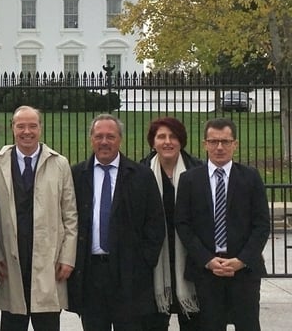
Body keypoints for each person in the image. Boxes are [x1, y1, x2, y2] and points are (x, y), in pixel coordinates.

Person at [68, 114, 165, 331]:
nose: (104, 142)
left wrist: (144, 262)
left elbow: (155, 224)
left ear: (120, 139)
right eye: (99, 136)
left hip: (129, 274)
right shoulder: (76, 175)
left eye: (110, 136)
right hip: (91, 274)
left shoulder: (141, 175)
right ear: (91, 139)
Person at [174, 118, 270, 331]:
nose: (219, 147)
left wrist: (241, 260)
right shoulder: (189, 180)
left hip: (244, 272)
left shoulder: (250, 177)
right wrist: (207, 260)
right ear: (204, 144)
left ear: (235, 144)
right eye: (213, 141)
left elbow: (262, 224)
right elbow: (183, 224)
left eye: (225, 141)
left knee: (248, 325)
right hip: (206, 273)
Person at [0, 106, 78, 331]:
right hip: (11, 261)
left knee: (47, 324)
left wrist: (67, 257)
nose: (26, 132)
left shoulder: (59, 164)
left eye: (32, 126)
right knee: (12, 324)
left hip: (49, 261)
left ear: (41, 128)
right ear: (12, 128)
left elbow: (70, 215)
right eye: (21, 126)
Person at [140, 117, 201, 330]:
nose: (167, 142)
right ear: (152, 142)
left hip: (191, 260)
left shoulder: (198, 171)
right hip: (155, 262)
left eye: (173, 137)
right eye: (161, 137)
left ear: (181, 141)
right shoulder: (140, 172)